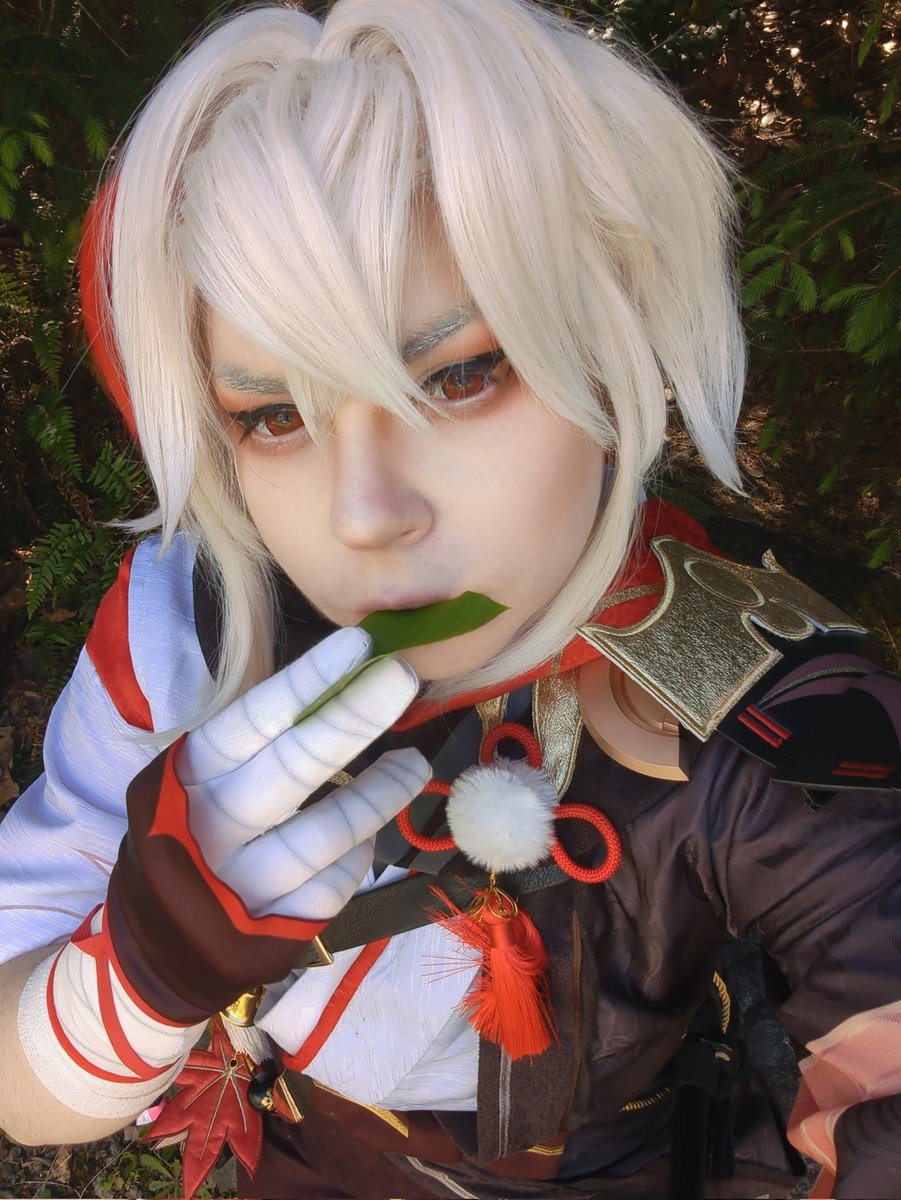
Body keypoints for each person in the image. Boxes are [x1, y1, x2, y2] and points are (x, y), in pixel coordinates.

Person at [0, 0, 898, 1197]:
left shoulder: (772, 718)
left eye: (460, 374)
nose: (365, 512)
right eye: (274, 416)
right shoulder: (191, 619)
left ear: (611, 346)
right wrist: (132, 982)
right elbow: (19, 1074)